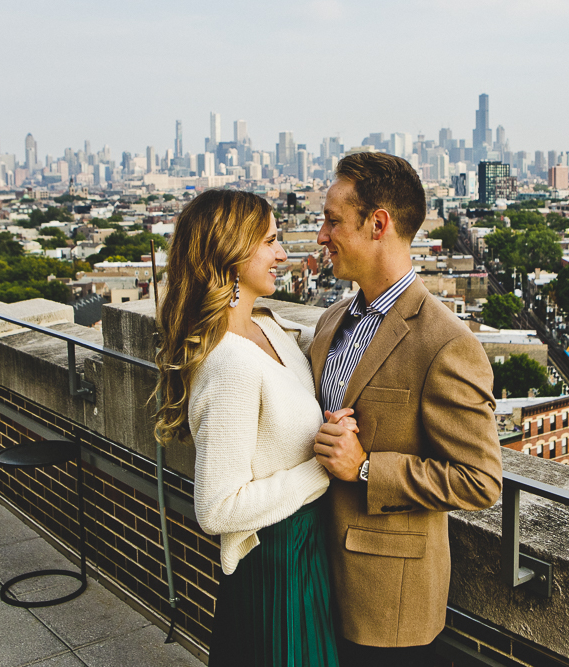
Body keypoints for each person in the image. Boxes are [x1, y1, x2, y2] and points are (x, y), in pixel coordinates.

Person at [311, 152, 504, 666]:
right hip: (313, 580)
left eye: (332, 221)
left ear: (378, 224)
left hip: (387, 606)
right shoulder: (330, 321)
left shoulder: (445, 343)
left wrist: (366, 468)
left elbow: (480, 480)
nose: (320, 236)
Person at [154, 189, 346, 666]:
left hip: (308, 552)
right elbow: (216, 509)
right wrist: (321, 469)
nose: (283, 253)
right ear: (230, 252)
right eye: (270, 241)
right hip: (276, 563)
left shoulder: (269, 326)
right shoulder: (231, 362)